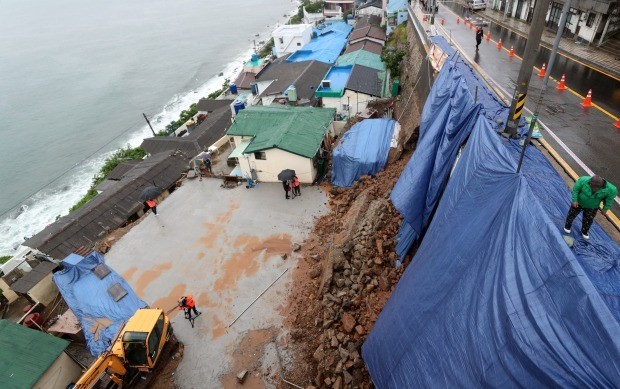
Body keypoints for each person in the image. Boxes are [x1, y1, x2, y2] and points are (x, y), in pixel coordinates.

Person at [563, 175, 617, 240]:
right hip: (579, 203)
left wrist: (605, 208)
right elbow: (576, 190)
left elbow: (609, 200)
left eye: (596, 187)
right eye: (592, 186)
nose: (593, 188)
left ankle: (584, 231)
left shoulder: (611, 189)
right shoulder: (583, 180)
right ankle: (567, 226)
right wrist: (575, 200)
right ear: (590, 182)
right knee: (571, 215)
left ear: (601, 185)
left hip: (592, 207)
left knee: (588, 220)